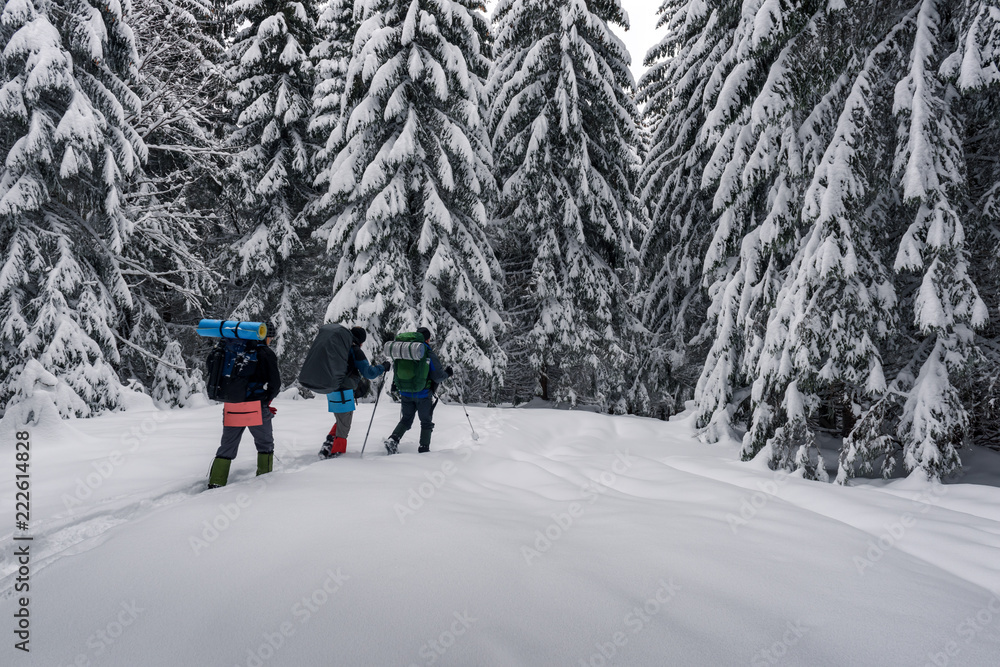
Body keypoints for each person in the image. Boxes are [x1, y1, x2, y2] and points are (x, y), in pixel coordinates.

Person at [299, 324, 390, 458]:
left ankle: (328, 446)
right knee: (344, 427)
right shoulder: (355, 350)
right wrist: (383, 367)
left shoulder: (341, 348)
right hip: (344, 392)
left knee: (341, 422)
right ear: (361, 341)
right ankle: (336, 455)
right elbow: (369, 373)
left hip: (332, 388)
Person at [208, 323, 281, 489]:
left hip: (232, 405)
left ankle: (216, 482)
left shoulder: (228, 350)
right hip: (256, 406)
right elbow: (275, 383)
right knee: (265, 444)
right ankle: (264, 480)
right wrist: (266, 400)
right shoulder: (265, 353)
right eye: (271, 337)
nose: (270, 340)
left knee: (227, 445)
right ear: (265, 336)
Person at [384, 327, 452, 454]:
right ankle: (424, 449)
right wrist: (447, 373)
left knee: (406, 419)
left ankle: (393, 440)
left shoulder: (405, 350)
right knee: (426, 421)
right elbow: (437, 376)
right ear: (428, 339)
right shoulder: (427, 353)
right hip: (423, 394)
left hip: (405, 392)